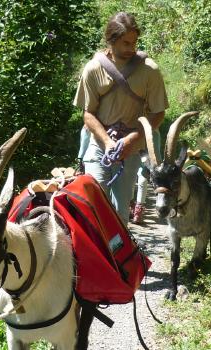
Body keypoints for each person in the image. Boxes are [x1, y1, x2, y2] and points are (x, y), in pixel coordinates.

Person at [73, 12, 168, 224]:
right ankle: (98, 255)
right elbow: (88, 114)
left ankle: (119, 256)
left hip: (130, 149)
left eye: (134, 43)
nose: (131, 49)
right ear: (111, 40)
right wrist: (107, 142)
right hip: (99, 147)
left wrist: (132, 140)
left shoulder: (149, 71)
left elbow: (158, 113)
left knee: (120, 212)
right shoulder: (93, 70)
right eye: (125, 43)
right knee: (95, 206)